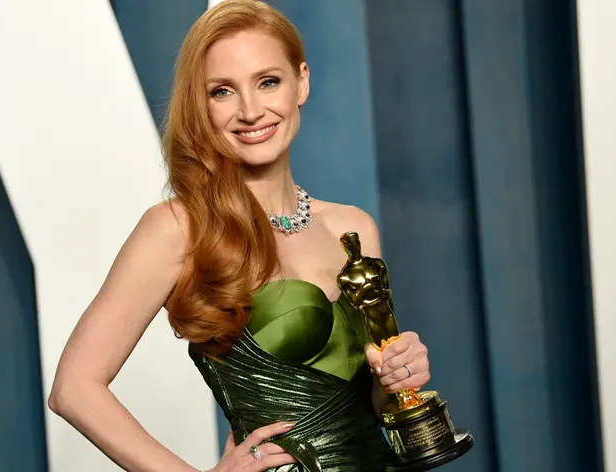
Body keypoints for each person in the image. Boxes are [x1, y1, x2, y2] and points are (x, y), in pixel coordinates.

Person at [48, 1, 430, 470]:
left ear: (301, 82)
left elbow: (372, 406)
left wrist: (396, 379)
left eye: (268, 82)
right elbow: (74, 388)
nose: (251, 111)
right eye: (223, 91)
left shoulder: (353, 228)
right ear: (200, 104)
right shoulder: (179, 228)